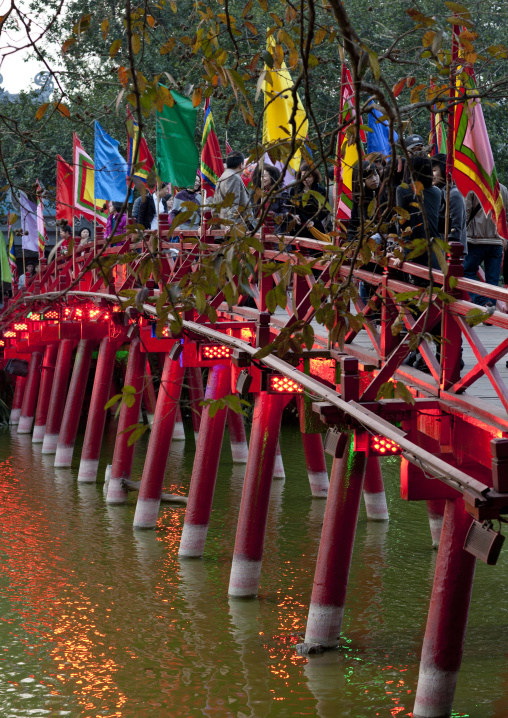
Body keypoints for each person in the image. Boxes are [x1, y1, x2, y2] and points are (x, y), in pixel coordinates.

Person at [463, 185, 508, 307]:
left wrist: (460, 237)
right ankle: (490, 314)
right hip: (496, 242)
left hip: (475, 240)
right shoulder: (503, 189)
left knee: (466, 273)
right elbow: (505, 217)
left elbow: (466, 214)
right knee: (492, 280)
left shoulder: (472, 186)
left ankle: (482, 302)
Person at [396, 156, 442, 273]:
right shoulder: (437, 192)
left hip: (413, 251)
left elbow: (402, 222)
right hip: (434, 251)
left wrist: (401, 249)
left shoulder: (402, 190)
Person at [430, 154, 467, 250]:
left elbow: (456, 226)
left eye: (434, 171)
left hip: (451, 250)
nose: (430, 175)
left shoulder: (453, 194)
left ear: (444, 170)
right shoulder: (437, 192)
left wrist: (450, 248)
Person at [213, 151, 254, 231]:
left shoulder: (222, 177)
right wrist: (230, 223)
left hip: (224, 221)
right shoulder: (233, 177)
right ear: (241, 165)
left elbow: (215, 202)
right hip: (236, 225)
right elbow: (233, 202)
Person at [289, 163, 330, 237]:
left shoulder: (321, 191)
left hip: (314, 227)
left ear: (314, 177)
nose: (305, 179)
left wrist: (314, 220)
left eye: (309, 176)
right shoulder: (294, 190)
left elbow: (326, 209)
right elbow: (290, 206)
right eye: (303, 176)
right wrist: (294, 215)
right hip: (297, 227)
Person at [249, 165, 290, 234]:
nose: (262, 179)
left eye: (265, 176)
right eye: (261, 177)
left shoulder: (282, 194)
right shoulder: (262, 193)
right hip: (260, 230)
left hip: (275, 232)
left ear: (273, 177)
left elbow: (287, 215)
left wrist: (272, 216)